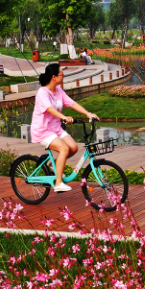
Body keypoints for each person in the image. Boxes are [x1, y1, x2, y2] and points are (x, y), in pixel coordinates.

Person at [30, 63, 99, 192]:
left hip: (56, 128)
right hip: (42, 130)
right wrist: (64, 117)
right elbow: (50, 109)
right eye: (62, 74)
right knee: (64, 149)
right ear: (54, 77)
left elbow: (72, 103)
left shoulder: (59, 91)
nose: (63, 76)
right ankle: (58, 183)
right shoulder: (42, 93)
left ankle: (54, 165)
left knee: (73, 147)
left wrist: (88, 113)